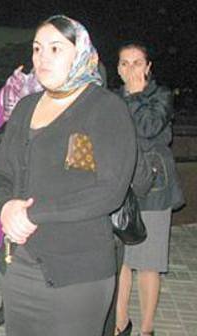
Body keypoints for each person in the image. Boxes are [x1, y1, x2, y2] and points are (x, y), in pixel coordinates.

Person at [0, 15, 137, 335]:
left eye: (56, 48)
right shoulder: (26, 107)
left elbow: (110, 190)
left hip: (77, 271)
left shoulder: (104, 107)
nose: (42, 58)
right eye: (37, 48)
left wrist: (33, 213)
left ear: (81, 53)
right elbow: (1, 173)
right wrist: (5, 207)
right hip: (18, 265)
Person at [114, 41, 184, 336]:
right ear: (117, 69)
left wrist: (136, 94)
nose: (131, 69)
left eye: (137, 63)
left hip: (154, 188)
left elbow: (147, 128)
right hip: (119, 187)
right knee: (120, 263)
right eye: (125, 63)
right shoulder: (111, 98)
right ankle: (119, 324)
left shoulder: (161, 95)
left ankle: (146, 329)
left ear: (149, 67)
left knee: (148, 262)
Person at [0, 66, 42, 327]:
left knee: (38, 251)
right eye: (37, 51)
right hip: (10, 179)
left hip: (41, 183)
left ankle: (37, 305)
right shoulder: (17, 88)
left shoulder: (61, 95)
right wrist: (9, 89)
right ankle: (9, 304)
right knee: (4, 249)